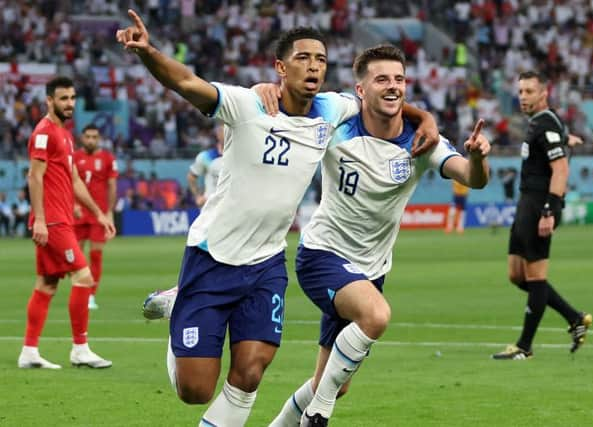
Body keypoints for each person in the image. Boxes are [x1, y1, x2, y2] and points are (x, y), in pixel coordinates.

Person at [116, 10, 438, 427]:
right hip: (213, 256)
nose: (314, 66)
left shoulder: (333, 108)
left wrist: (425, 118)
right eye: (303, 58)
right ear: (282, 68)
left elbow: (383, 99)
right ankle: (182, 305)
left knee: (250, 373)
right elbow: (185, 82)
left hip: (266, 264)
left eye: (321, 59)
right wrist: (148, 52)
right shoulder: (248, 104)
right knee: (195, 391)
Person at [265, 45, 490, 426]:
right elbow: (294, 96)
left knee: (333, 381)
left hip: (371, 270)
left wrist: (479, 157)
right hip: (322, 255)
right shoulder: (336, 122)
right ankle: (318, 414)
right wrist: (262, 90)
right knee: (377, 316)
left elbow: (472, 178)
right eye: (382, 79)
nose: (393, 87)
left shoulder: (422, 141)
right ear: (359, 90)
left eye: (399, 79)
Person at [492, 71, 592, 361]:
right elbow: (556, 142)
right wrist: (566, 138)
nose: (523, 96)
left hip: (539, 205)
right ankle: (574, 317)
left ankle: (524, 346)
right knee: (516, 274)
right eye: (520, 91)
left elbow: (560, 169)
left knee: (536, 277)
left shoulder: (545, 122)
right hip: (527, 203)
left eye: (529, 91)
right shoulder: (543, 123)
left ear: (543, 94)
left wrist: (549, 209)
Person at [18, 76, 116, 370]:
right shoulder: (44, 134)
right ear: (49, 101)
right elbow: (34, 177)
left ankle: (29, 351)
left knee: (46, 285)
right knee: (84, 277)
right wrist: (41, 221)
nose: (69, 104)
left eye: (72, 98)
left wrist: (99, 213)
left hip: (60, 220)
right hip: (53, 222)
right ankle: (80, 348)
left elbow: (73, 180)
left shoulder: (65, 135)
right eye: (63, 99)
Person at [73, 124, 118, 309]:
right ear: (82, 138)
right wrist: (73, 204)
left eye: (94, 137)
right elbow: (68, 182)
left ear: (99, 138)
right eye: (88, 136)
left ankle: (90, 295)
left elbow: (113, 186)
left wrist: (109, 212)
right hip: (78, 213)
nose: (91, 140)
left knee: (95, 256)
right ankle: (79, 290)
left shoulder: (107, 158)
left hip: (99, 214)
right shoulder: (75, 158)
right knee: (76, 256)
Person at [187, 132, 223, 207]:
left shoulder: (239, 156)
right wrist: (198, 196)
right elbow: (191, 177)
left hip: (232, 207)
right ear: (218, 134)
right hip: (211, 207)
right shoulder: (206, 156)